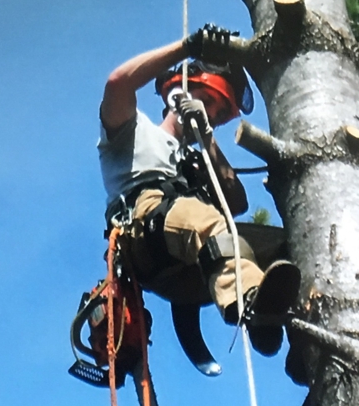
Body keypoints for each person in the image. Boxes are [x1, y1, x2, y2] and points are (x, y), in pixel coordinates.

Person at [97, 25, 300, 357]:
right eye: (210, 102)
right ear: (183, 89)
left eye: (220, 115)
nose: (214, 116)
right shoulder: (131, 133)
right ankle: (249, 301)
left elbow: (235, 202)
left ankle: (304, 345)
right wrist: (188, 48)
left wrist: (207, 137)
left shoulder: (196, 160)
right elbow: (118, 83)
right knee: (204, 221)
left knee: (283, 246)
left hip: (190, 265)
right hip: (145, 227)